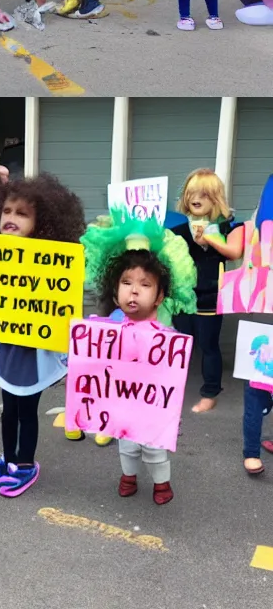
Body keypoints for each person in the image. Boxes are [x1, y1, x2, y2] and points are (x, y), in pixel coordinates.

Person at [0, 174, 87, 496]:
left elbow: (65, 302)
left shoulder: (51, 260)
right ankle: (8, 457)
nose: (11, 219)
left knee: (27, 410)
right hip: (6, 348)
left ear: (41, 222)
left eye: (22, 214)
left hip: (33, 352)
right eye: (7, 211)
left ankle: (25, 464)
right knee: (8, 408)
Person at [78, 214, 196, 504]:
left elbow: (171, 376)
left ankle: (161, 484)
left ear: (159, 297)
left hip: (153, 407)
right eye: (126, 282)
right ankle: (128, 476)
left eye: (145, 284)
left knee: (154, 448)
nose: (133, 290)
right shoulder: (107, 329)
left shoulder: (166, 335)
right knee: (126, 444)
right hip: (122, 404)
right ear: (115, 293)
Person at [169, 169, 240, 414]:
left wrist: (209, 237)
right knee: (179, 345)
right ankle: (170, 390)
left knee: (209, 346)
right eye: (191, 194)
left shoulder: (228, 228)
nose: (195, 199)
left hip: (210, 300)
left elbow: (235, 252)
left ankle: (211, 392)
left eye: (202, 194)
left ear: (215, 197)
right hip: (181, 300)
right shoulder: (178, 231)